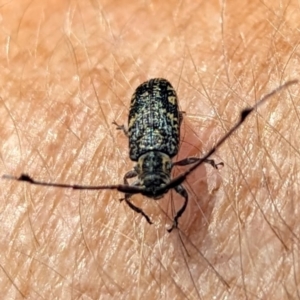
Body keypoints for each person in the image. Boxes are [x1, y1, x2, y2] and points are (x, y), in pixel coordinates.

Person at [1, 1, 298, 298]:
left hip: (153, 104)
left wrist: (179, 212)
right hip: (151, 106)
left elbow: (185, 164)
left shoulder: (156, 155)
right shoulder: (151, 157)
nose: (154, 191)